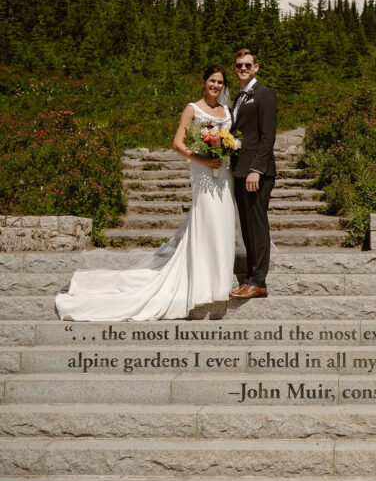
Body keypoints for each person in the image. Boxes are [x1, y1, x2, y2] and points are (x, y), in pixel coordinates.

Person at [55, 66, 239, 321]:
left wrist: (226, 150)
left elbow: (230, 138)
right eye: (212, 81)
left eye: (220, 82)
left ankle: (220, 284)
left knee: (223, 223)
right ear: (203, 82)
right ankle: (201, 284)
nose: (216, 86)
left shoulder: (226, 111)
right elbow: (177, 144)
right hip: (203, 172)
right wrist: (202, 160)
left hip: (223, 174)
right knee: (206, 223)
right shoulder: (192, 108)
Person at [229, 48, 277, 299]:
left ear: (256, 67)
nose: (243, 69)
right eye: (239, 65)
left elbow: (267, 136)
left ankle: (258, 281)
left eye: (248, 65)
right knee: (246, 227)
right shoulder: (238, 97)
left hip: (256, 172)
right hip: (239, 170)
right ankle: (250, 278)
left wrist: (256, 170)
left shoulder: (264, 94)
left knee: (256, 225)